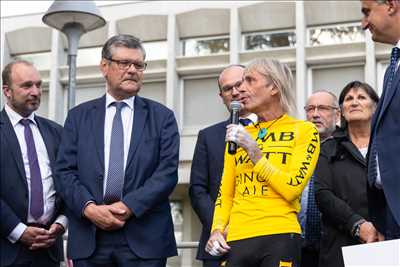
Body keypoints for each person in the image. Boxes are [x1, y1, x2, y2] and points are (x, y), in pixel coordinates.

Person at [55, 34, 179, 267]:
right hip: (89, 238)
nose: (132, 70)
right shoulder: (78, 117)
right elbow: (64, 172)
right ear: (104, 66)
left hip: (145, 237)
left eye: (139, 65)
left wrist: (128, 206)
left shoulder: (162, 117)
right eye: (124, 63)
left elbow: (167, 173)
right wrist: (89, 209)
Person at [206, 58, 320, 267]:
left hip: (280, 234)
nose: (241, 88)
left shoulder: (304, 130)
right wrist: (217, 230)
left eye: (250, 81)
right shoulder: (239, 133)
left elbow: (292, 188)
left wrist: (255, 152)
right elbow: (226, 192)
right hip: (236, 239)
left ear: (274, 87)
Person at [189, 65, 256, 267]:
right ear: (222, 96)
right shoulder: (208, 136)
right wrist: (219, 228)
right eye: (228, 89)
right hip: (219, 245)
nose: (235, 92)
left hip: (264, 240)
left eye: (239, 84)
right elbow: (198, 189)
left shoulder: (276, 131)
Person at [1, 60, 66, 267]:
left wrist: (61, 223)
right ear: (7, 91)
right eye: (27, 85)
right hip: (7, 250)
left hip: (49, 249)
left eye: (39, 85)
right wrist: (19, 231)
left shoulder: (57, 132)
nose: (36, 91)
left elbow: (69, 182)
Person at [314, 81, 380, 267]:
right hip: (341, 242)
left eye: (361, 97)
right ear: (341, 111)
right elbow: (322, 193)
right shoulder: (328, 147)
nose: (354, 102)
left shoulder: (390, 145)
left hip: (388, 238)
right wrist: (357, 225)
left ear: (375, 107)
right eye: (348, 99)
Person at [361, 0, 400, 240]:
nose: (364, 24)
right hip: (390, 212)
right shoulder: (392, 67)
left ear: (391, 5)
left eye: (367, 12)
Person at [300, 90, 340, 267]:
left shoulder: (348, 146)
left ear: (337, 114)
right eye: (310, 109)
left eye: (322, 108)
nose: (315, 114)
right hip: (298, 246)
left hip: (335, 245)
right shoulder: (295, 147)